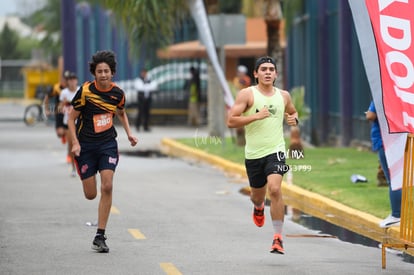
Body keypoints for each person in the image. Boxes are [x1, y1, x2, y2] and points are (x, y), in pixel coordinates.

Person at [67, 50, 138, 253]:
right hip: (86, 147)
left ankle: (100, 235)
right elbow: (71, 118)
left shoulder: (118, 94)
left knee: (107, 186)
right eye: (100, 71)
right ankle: (84, 171)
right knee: (91, 194)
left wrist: (129, 134)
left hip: (107, 144)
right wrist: (75, 143)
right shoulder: (85, 92)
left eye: (107, 71)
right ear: (94, 73)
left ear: (112, 73)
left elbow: (121, 113)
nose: (104, 74)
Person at [227, 56, 298, 254]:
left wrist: (294, 119)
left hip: (276, 151)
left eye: (271, 69)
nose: (267, 72)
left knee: (275, 190)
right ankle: (258, 207)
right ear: (255, 73)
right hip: (254, 155)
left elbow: (293, 113)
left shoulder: (284, 96)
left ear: (276, 74)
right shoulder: (246, 95)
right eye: (263, 69)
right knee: (257, 196)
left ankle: (278, 238)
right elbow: (231, 121)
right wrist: (256, 116)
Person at [366, 101, 401, 228]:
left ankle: (396, 215)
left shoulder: (382, 92)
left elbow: (370, 115)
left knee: (394, 179)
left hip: (386, 140)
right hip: (401, 138)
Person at [59, 71, 79, 176]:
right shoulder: (64, 93)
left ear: (76, 81)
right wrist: (64, 104)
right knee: (72, 145)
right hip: (68, 122)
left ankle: (82, 165)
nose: (72, 82)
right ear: (67, 82)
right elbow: (59, 109)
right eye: (70, 80)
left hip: (80, 122)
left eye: (74, 80)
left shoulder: (80, 91)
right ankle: (73, 168)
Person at [43, 72, 68, 145]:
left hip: (69, 114)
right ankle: (64, 134)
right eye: (64, 79)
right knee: (60, 133)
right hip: (59, 113)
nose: (65, 81)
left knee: (70, 132)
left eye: (67, 79)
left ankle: (68, 135)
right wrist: (46, 110)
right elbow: (47, 97)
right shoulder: (56, 88)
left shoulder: (71, 88)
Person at [232, 65, 252, 146]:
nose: (239, 74)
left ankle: (246, 140)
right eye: (239, 72)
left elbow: (244, 83)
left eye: (241, 72)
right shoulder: (235, 79)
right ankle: (239, 142)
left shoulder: (246, 79)